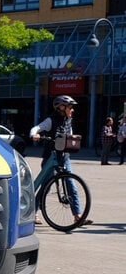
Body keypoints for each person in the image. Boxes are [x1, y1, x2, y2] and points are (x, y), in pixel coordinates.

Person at [30, 95, 91, 225]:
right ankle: (33, 213)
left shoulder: (68, 120)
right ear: (61, 108)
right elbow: (36, 128)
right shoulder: (51, 120)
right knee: (45, 186)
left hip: (64, 158)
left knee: (71, 185)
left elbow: (69, 135)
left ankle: (77, 216)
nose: (72, 110)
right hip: (50, 158)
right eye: (70, 107)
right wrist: (34, 134)